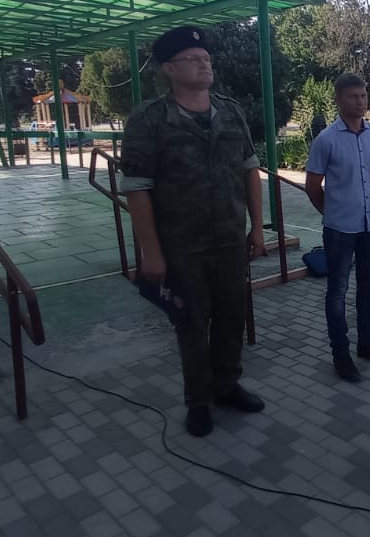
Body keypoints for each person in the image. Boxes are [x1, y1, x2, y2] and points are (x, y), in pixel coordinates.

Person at [120, 25, 268, 437]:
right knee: (191, 325)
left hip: (230, 241)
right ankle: (198, 401)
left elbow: (250, 171)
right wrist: (151, 253)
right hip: (182, 247)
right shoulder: (149, 119)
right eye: (193, 59)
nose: (204, 65)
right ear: (169, 68)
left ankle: (227, 385)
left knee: (232, 318)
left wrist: (257, 228)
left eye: (206, 59)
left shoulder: (231, 112)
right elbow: (137, 189)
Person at [305, 74, 370, 383]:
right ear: (339, 100)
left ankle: (366, 343)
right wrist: (333, 211)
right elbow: (312, 186)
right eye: (353, 96)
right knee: (337, 292)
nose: (360, 101)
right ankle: (340, 354)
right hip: (340, 229)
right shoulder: (326, 140)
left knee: (368, 285)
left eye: (363, 96)